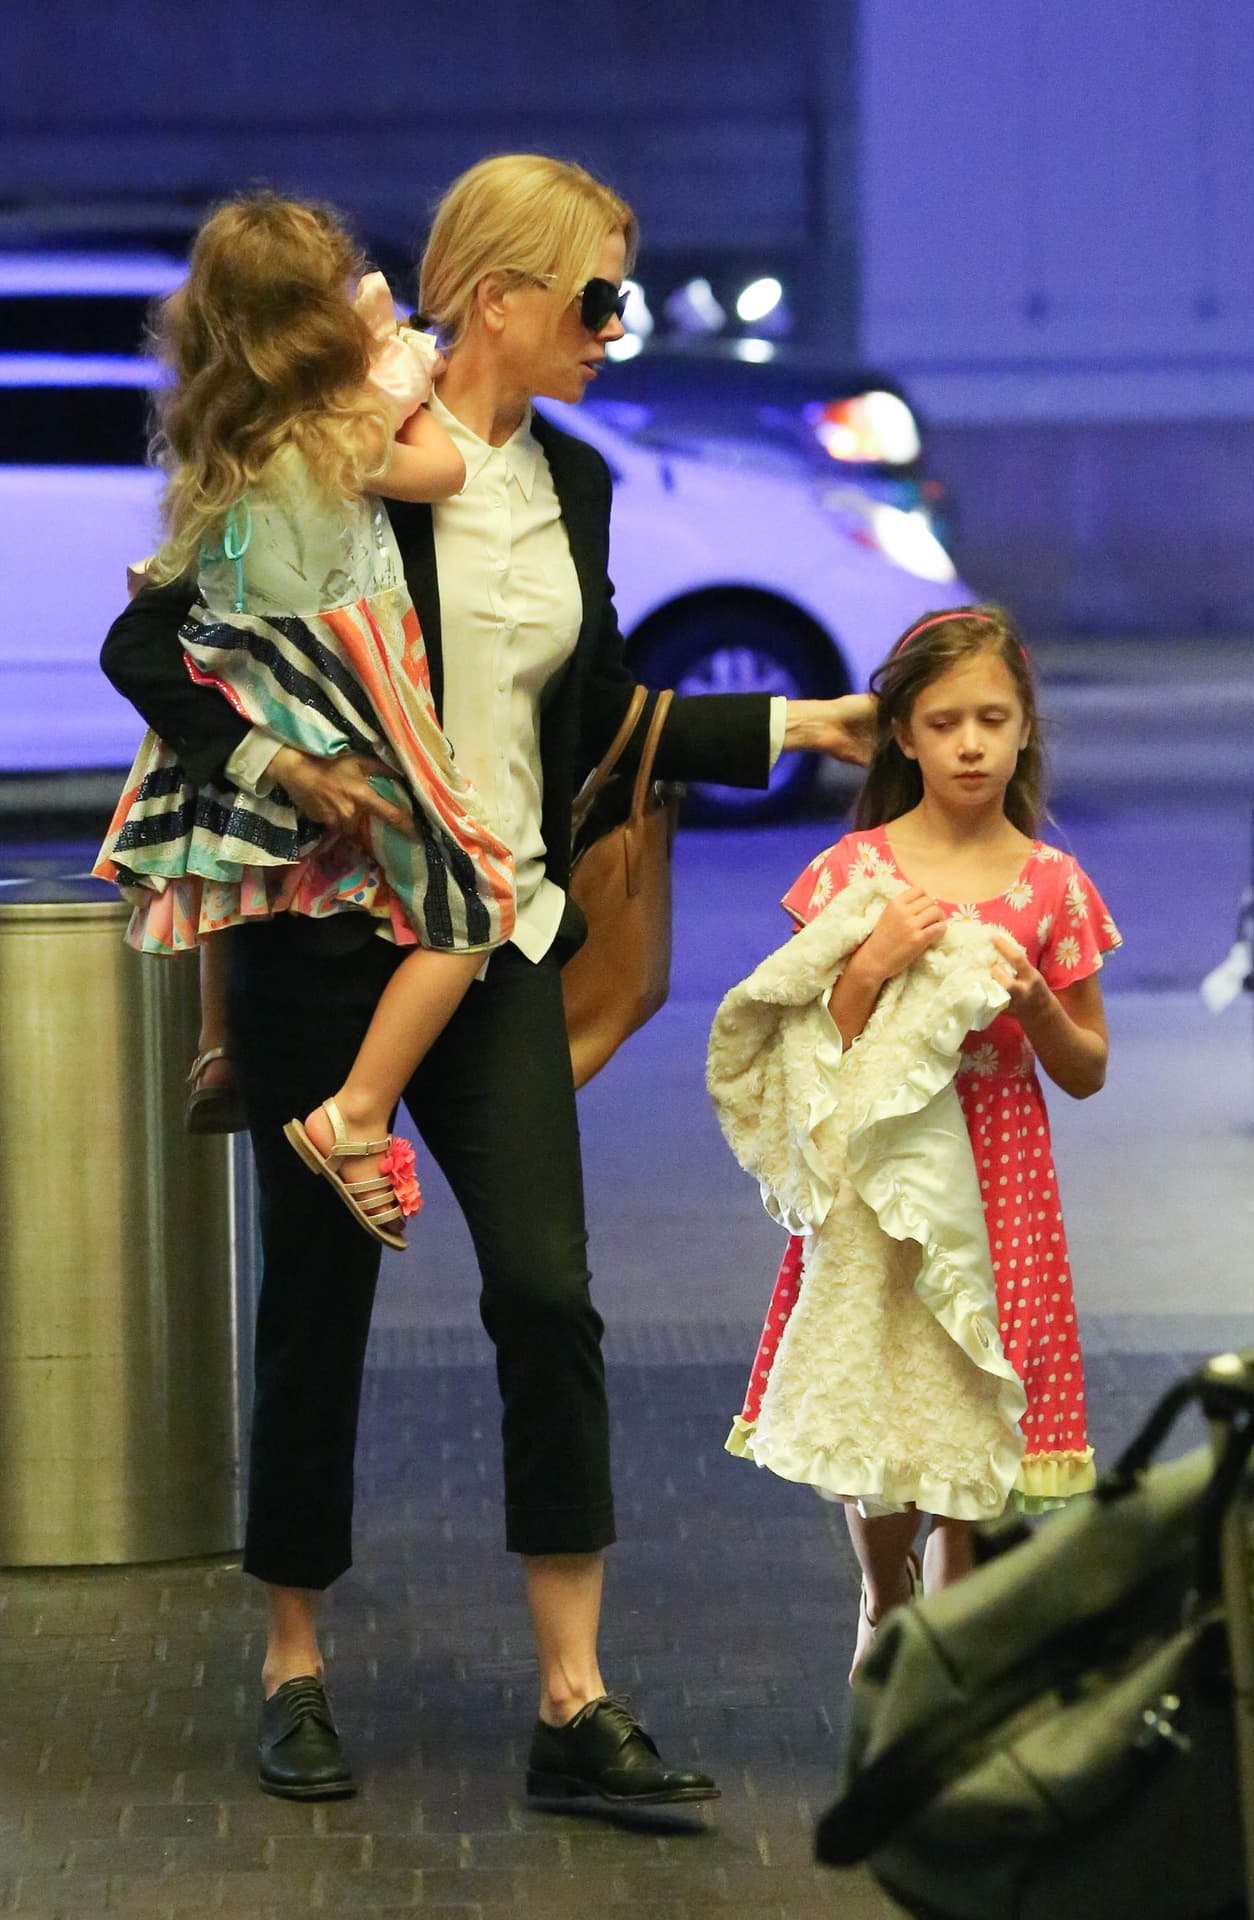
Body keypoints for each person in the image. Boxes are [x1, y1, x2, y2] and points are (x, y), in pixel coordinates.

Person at [99, 153, 878, 1805]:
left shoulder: (573, 483)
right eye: (597, 296)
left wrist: (797, 728)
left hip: (501, 938)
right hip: (326, 942)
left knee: (546, 1296)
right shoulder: (354, 443)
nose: (616, 326)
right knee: (315, 1310)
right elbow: (164, 637)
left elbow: (592, 708)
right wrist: (264, 769)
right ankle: (294, 1660)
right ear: (505, 297)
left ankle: (572, 1701)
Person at [94, 193, 516, 1248]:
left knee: (251, 879)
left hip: (264, 715)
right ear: (315, 319)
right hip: (352, 713)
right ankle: (356, 1117)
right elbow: (449, 466)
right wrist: (397, 351)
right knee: (473, 898)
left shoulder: (221, 444)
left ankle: (218, 1040)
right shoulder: (338, 435)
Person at [709, 605, 1119, 1680]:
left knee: (976, 1396)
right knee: (882, 1386)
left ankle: (948, 1645)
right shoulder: (851, 876)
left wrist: (1032, 1004)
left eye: (991, 719)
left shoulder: (1051, 887)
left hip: (1002, 1179)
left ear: (1026, 729)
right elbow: (804, 1045)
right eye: (944, 722)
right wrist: (866, 965)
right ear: (902, 736)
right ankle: (883, 1592)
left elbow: (1085, 1069)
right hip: (875, 1181)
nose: (970, 743)